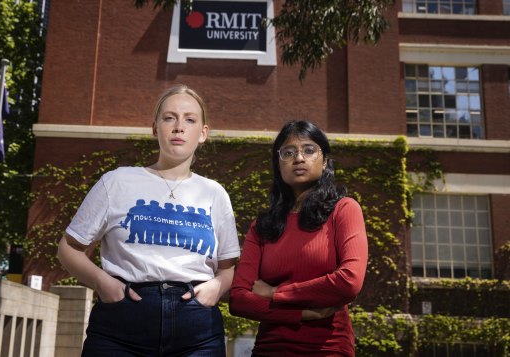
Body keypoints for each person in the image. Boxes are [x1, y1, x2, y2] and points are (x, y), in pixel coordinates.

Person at [58, 85, 241, 356]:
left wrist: (217, 286)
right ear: (155, 128)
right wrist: (101, 281)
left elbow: (228, 269)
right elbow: (68, 249)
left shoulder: (214, 193)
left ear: (203, 133)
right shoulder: (117, 182)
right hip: (121, 325)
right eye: (169, 118)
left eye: (190, 119)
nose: (179, 127)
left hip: (197, 332)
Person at [229, 120, 368, 357]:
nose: (299, 158)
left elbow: (349, 282)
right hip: (270, 348)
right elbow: (239, 299)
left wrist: (275, 293)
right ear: (278, 164)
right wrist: (299, 313)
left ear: (324, 162)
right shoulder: (262, 225)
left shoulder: (344, 210)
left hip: (328, 348)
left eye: (309, 150)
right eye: (288, 152)